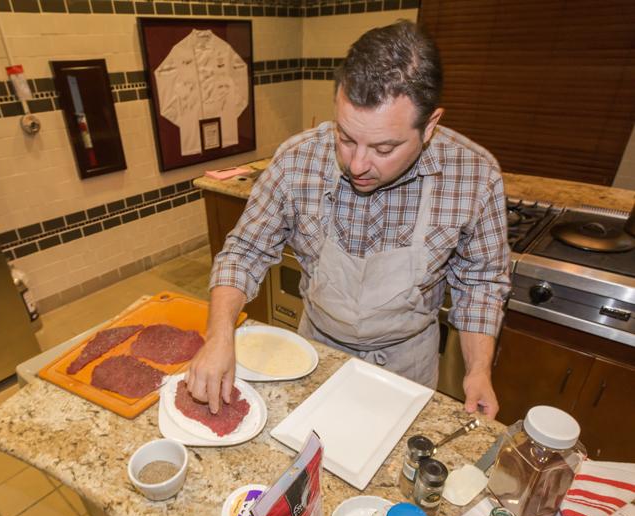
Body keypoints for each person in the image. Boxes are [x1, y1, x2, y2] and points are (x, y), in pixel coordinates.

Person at [186, 20, 510, 419]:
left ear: (429, 126)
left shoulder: (473, 175)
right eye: (346, 137)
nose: (357, 164)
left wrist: (478, 370)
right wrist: (219, 336)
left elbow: (481, 282)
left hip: (406, 363)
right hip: (316, 349)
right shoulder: (297, 160)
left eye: (383, 148)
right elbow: (244, 252)